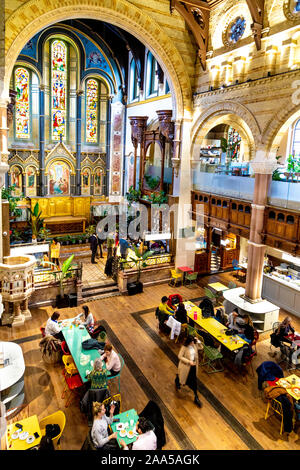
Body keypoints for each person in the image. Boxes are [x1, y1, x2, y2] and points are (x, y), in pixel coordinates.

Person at [175, 335, 203, 407]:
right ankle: (177, 380)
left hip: (193, 366)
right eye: (191, 342)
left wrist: (198, 341)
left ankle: (196, 397)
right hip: (186, 367)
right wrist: (188, 361)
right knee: (181, 378)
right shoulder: (184, 347)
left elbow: (201, 347)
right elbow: (180, 356)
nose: (193, 343)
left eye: (193, 341)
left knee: (194, 382)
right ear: (188, 342)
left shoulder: (195, 345)